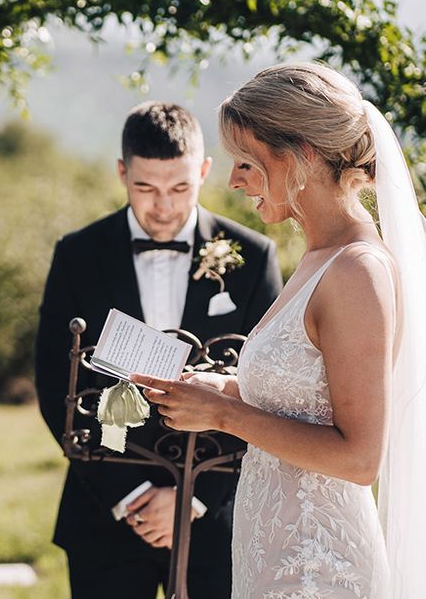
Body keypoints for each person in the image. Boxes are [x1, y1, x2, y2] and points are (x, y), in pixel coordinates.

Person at [134, 61, 426, 597]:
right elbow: (312, 399)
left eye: (247, 162)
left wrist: (225, 413)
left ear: (301, 157)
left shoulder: (357, 270)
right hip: (273, 551)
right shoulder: (319, 258)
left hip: (319, 567)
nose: (234, 180)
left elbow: (360, 458)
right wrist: (225, 389)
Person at [35, 101, 282, 598]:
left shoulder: (253, 257)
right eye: (145, 188)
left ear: (206, 171)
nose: (163, 207)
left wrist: (192, 498)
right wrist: (130, 495)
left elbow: (268, 387)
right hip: (104, 507)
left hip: (218, 515)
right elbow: (54, 382)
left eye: (180, 188)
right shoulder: (78, 254)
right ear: (122, 173)